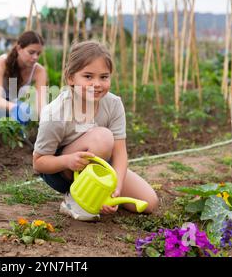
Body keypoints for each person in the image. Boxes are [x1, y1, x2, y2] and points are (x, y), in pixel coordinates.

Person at [33, 40, 159, 221]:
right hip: (61, 171)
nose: (97, 84)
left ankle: (98, 194)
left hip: (99, 167)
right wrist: (68, 161)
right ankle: (75, 199)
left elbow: (120, 153)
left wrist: (115, 189)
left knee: (149, 203)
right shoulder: (56, 113)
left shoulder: (114, 104)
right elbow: (38, 163)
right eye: (88, 76)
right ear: (70, 78)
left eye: (104, 77)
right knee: (103, 137)